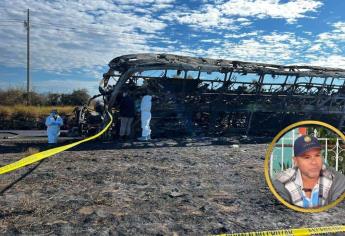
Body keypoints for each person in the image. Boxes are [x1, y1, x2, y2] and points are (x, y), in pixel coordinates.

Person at [273, 135, 345, 208]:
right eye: (307, 157)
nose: (314, 162)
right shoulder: (282, 184)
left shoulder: (337, 181)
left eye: (317, 155)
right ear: (296, 161)